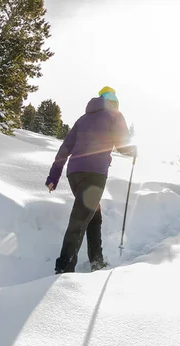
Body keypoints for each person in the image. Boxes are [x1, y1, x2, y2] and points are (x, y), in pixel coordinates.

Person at [45, 86, 136, 274]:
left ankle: (96, 260)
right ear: (115, 101)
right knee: (79, 218)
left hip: (74, 173)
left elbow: (65, 148)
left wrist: (54, 175)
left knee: (93, 216)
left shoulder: (83, 118)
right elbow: (122, 144)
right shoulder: (115, 115)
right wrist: (133, 150)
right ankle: (64, 267)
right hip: (95, 173)